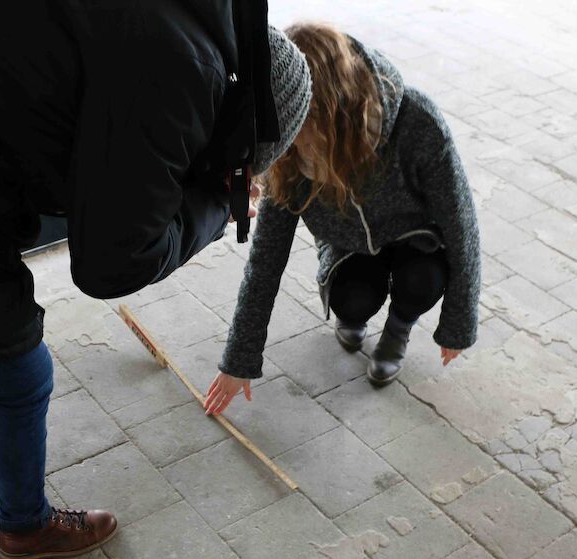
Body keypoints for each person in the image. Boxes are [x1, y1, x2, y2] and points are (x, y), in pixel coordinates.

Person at [0, 0, 311, 559]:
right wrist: (213, 209)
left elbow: (87, 151)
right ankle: (26, 529)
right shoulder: (180, 70)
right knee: (18, 374)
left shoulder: (184, 25)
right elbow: (113, 263)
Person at [205, 22, 481, 417]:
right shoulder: (287, 147)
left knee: (423, 281)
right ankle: (357, 311)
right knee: (350, 301)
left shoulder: (418, 122)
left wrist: (459, 322)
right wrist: (239, 360)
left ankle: (398, 327)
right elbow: (266, 259)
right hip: (348, 241)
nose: (293, 145)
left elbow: (462, 226)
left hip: (415, 239)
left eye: (304, 129)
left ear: (335, 108)